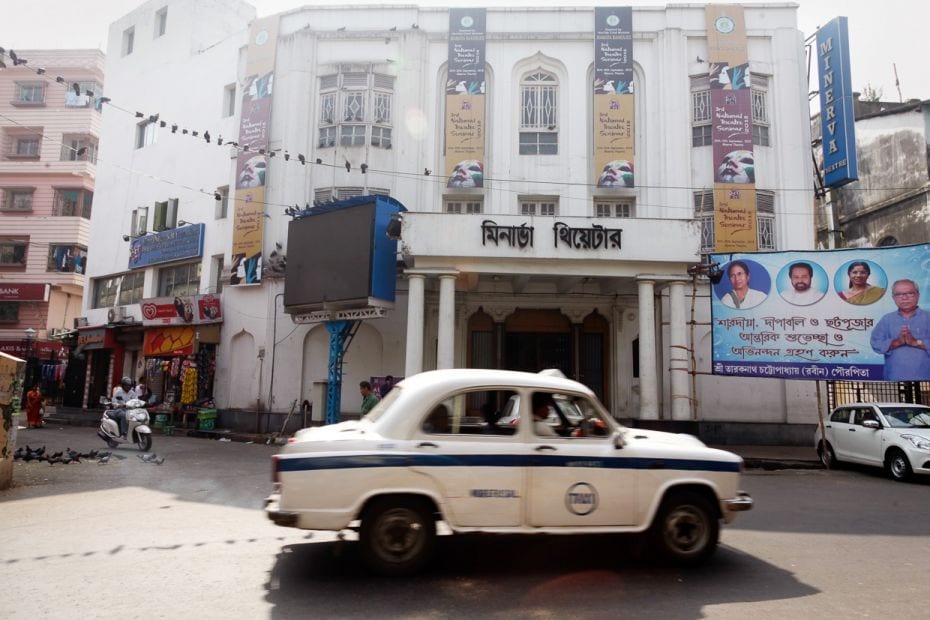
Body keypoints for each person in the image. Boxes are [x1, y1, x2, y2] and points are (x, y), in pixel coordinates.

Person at [870, 279, 930, 381]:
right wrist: (897, 342)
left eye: (910, 293)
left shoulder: (928, 317)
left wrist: (916, 342)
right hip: (894, 379)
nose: (904, 297)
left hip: (925, 379)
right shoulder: (887, 319)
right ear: (893, 298)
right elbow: (876, 343)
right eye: (899, 294)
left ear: (918, 295)